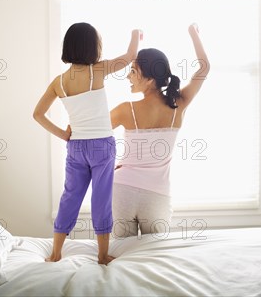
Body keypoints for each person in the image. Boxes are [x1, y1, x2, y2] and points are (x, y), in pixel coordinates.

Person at [33, 22, 141, 264]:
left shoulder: (59, 82)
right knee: (101, 198)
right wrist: (135, 33)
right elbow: (130, 56)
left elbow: (37, 114)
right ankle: (102, 255)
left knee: (70, 196)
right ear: (93, 47)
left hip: (76, 148)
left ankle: (55, 253)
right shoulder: (98, 70)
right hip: (102, 146)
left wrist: (63, 134)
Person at [110, 23, 209, 238]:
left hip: (121, 189)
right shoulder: (179, 104)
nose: (128, 76)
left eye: (133, 71)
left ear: (149, 80)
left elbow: (91, 132)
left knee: (120, 256)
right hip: (157, 196)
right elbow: (204, 68)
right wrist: (193, 33)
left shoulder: (125, 110)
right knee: (155, 256)